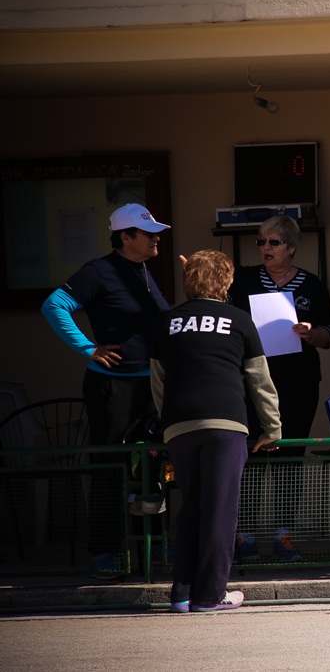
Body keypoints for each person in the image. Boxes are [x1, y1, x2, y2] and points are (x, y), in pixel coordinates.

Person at [41, 203, 171, 579]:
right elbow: (54, 306)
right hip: (113, 386)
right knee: (110, 466)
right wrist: (88, 348)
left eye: (155, 231)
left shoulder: (146, 269)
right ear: (125, 237)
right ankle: (105, 551)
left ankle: (155, 542)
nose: (156, 238)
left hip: (151, 384)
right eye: (148, 233)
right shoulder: (100, 270)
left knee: (154, 465)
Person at [151, 250, 281, 612]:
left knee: (190, 506)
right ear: (226, 281)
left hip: (180, 426)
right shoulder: (238, 320)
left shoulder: (167, 322)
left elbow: (158, 382)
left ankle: (182, 592)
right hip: (226, 424)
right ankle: (211, 595)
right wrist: (272, 427)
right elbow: (260, 380)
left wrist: (169, 425)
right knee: (220, 509)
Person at [227, 215, 330, 560]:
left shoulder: (310, 284)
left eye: (273, 242)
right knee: (250, 455)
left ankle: (283, 536)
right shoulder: (243, 281)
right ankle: (243, 536)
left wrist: (310, 332)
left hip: (298, 383)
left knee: (290, 456)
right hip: (252, 383)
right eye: (261, 242)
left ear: (291, 247)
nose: (265, 248)